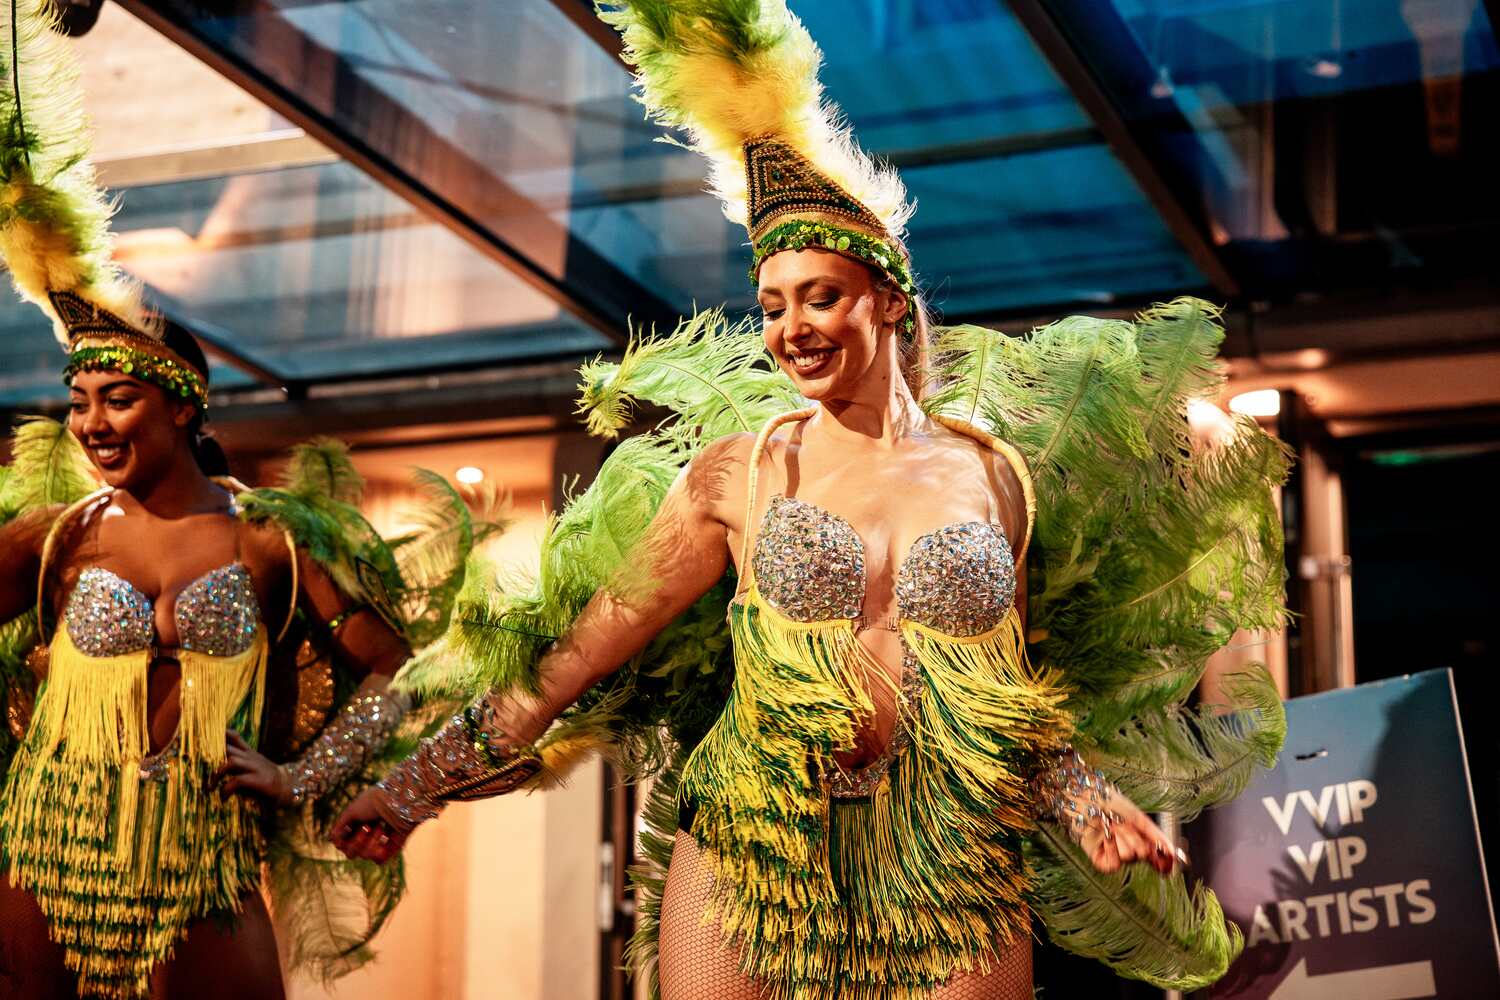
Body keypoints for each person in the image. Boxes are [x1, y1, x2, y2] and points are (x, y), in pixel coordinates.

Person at [333, 3, 1289, 1000]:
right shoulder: (736, 478)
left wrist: (1091, 801)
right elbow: (569, 663)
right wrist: (409, 791)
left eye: (819, 297)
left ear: (885, 296)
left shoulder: (989, 474)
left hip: (945, 847)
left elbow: (1005, 706)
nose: (791, 330)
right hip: (755, 842)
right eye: (773, 305)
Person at [0, 3, 492, 996]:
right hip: (49, 849)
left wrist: (300, 778)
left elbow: (397, 673)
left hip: (202, 857)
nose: (93, 422)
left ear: (182, 407)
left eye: (120, 398)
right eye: (79, 400)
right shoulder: (53, 539)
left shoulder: (266, 541)